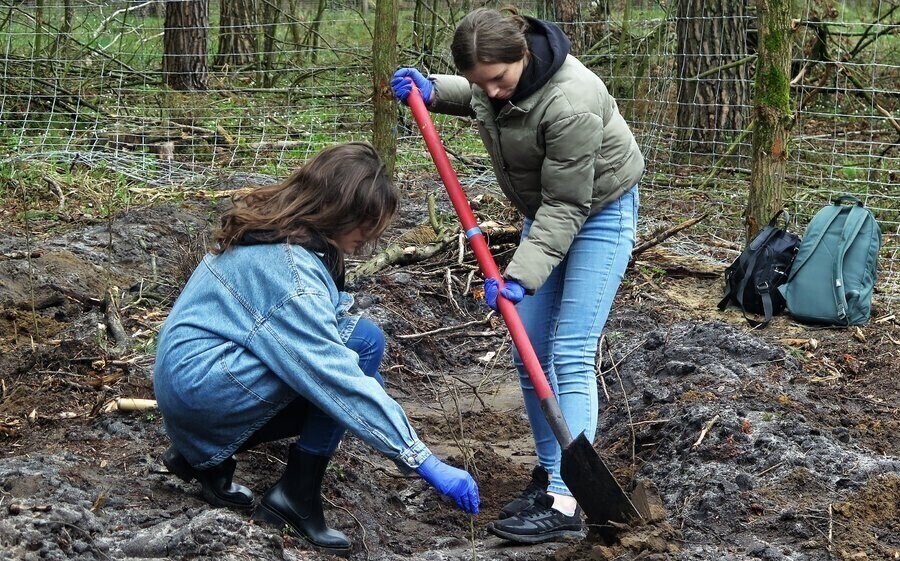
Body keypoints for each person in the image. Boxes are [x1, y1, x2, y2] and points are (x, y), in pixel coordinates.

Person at [391, 7, 642, 544]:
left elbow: (568, 206)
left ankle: (568, 500)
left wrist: (522, 275)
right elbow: (478, 91)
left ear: (523, 55)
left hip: (597, 213)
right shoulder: (492, 82)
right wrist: (431, 90)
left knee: (570, 350)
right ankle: (554, 475)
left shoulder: (571, 101)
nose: (493, 93)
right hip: (546, 212)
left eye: (499, 80)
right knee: (526, 345)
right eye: (482, 83)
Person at [152, 142, 479, 555]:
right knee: (361, 345)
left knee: (358, 362)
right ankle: (295, 498)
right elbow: (332, 374)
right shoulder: (289, 271)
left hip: (190, 388)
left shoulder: (274, 229)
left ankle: (203, 458)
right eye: (366, 227)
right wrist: (421, 459)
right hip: (202, 395)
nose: (368, 241)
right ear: (340, 210)